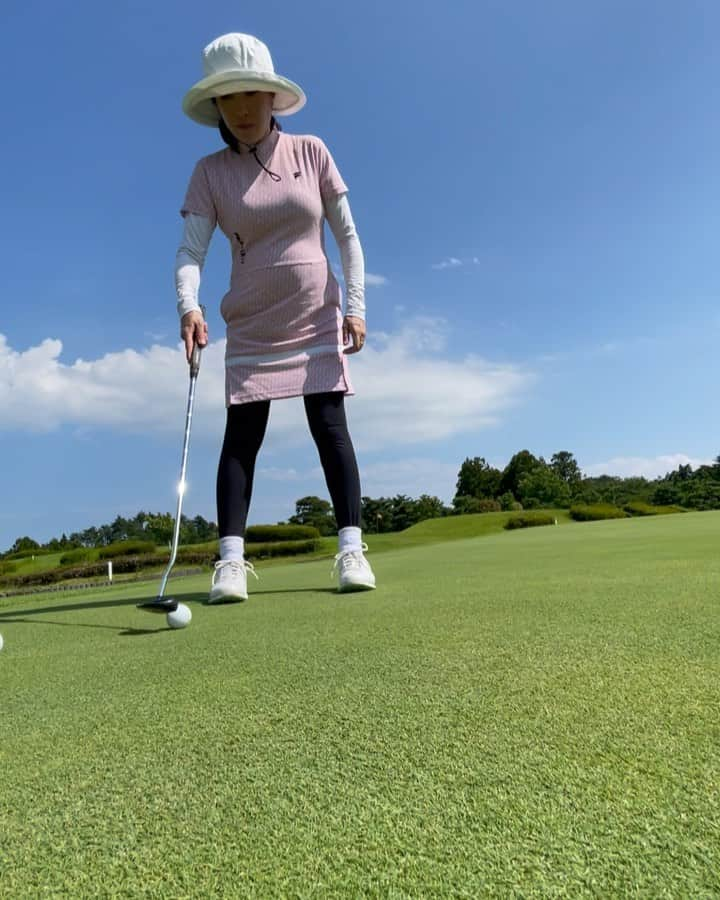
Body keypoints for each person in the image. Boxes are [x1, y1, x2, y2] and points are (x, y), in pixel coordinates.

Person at [176, 32, 376, 602]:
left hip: (315, 314)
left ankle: (351, 550)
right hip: (253, 323)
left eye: (250, 95)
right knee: (242, 437)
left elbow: (348, 237)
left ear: (271, 96)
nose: (239, 110)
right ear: (215, 106)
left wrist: (356, 307)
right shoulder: (209, 173)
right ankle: (231, 563)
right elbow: (191, 252)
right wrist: (188, 305)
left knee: (330, 428)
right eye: (227, 98)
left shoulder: (312, 151)